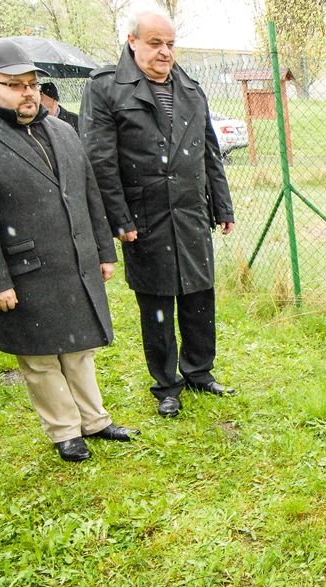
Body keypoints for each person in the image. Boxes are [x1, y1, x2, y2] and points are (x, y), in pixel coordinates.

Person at [0, 38, 140, 463]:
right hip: (22, 270)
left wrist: (103, 250)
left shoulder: (62, 129)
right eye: (15, 85)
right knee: (39, 358)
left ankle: (94, 420)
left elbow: (88, 192)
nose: (29, 93)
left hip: (73, 261)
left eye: (32, 83)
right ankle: (65, 431)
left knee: (78, 348)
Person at [80, 7, 236, 418]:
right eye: (155, 43)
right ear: (132, 41)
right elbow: (100, 162)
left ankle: (200, 371)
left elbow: (210, 153)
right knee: (157, 303)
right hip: (144, 217)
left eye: (170, 44)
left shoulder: (190, 88)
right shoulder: (105, 88)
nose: (165, 52)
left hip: (190, 214)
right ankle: (167, 384)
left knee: (200, 297)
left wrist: (222, 205)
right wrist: (119, 219)